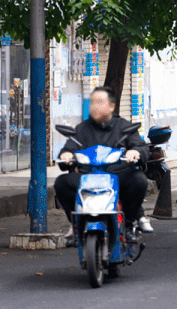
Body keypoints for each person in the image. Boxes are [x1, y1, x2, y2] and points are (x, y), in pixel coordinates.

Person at [55, 87, 151, 240]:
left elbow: (140, 146)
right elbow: (69, 148)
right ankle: (76, 224)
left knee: (139, 180)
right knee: (62, 183)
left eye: (100, 102)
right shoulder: (82, 129)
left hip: (118, 176)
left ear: (112, 106)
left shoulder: (124, 126)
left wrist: (136, 152)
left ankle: (127, 225)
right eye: (92, 102)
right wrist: (66, 155)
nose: (95, 106)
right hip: (88, 178)